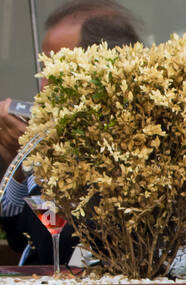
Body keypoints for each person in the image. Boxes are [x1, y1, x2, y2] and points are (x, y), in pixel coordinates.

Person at [0, 1, 140, 266]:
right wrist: (15, 163)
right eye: (42, 70)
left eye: (55, 70)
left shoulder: (125, 150)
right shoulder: (59, 135)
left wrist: (43, 170)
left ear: (102, 72)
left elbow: (70, 252)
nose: (42, 86)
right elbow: (21, 238)